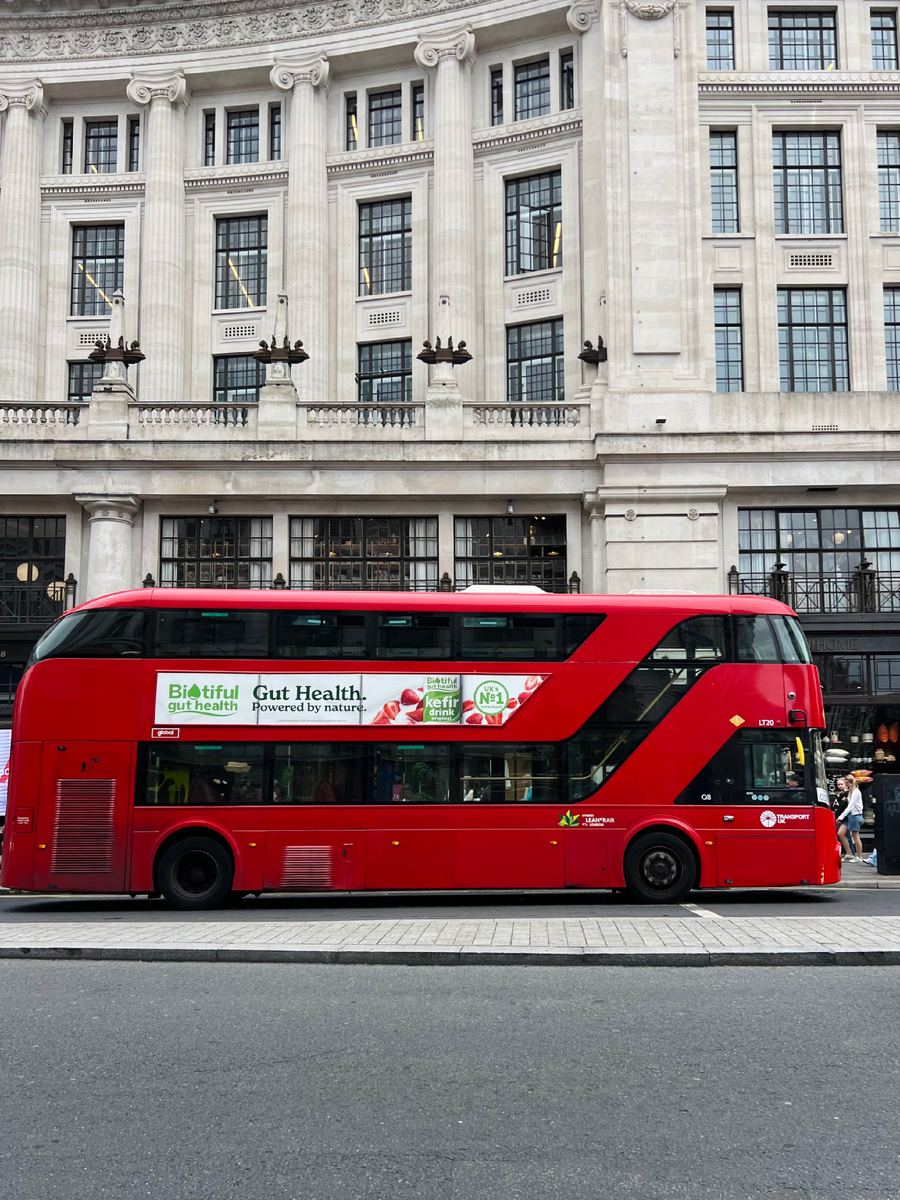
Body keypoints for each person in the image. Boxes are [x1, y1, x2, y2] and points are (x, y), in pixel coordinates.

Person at [836, 774, 864, 863]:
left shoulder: (856, 792)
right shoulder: (851, 792)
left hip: (855, 815)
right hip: (850, 815)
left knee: (855, 836)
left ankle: (859, 856)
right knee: (841, 833)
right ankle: (849, 853)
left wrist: (841, 816)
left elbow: (851, 806)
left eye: (845, 783)